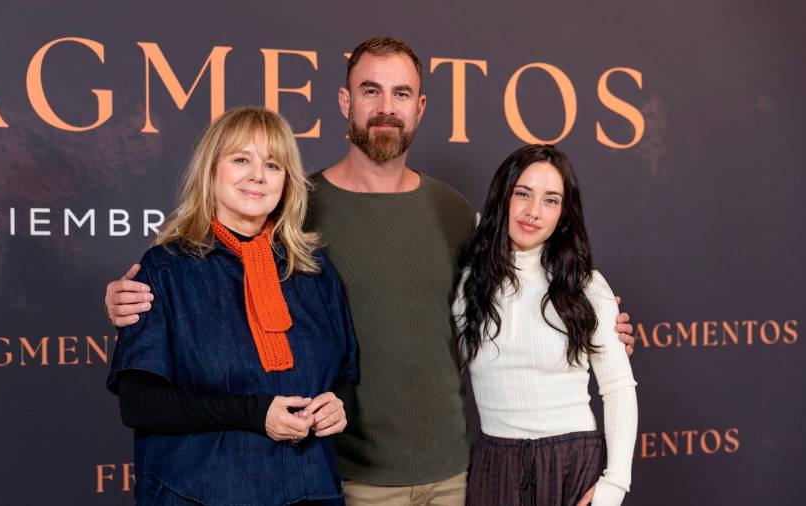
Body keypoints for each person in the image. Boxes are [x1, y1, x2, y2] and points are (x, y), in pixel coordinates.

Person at [105, 37, 636, 506]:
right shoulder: (296, 208)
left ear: (421, 106)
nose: (386, 108)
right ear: (345, 101)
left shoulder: (450, 212)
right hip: (343, 476)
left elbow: (515, 282)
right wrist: (128, 299)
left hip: (447, 474)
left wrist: (592, 321)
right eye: (370, 91)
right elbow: (194, 279)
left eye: (401, 93)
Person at [106, 106, 358, 505]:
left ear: (287, 182)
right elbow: (140, 405)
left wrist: (337, 405)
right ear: (211, 171)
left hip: (309, 490)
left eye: (273, 165)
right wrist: (255, 413)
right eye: (241, 159)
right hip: (197, 493)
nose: (258, 175)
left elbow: (345, 374)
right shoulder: (166, 269)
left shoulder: (316, 271)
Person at [455, 144, 637, 506]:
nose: (533, 212)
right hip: (496, 465)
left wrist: (614, 485)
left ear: (563, 214)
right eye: (523, 194)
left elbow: (618, 388)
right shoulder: (468, 283)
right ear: (503, 197)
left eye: (551, 200)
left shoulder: (586, 285)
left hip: (573, 464)